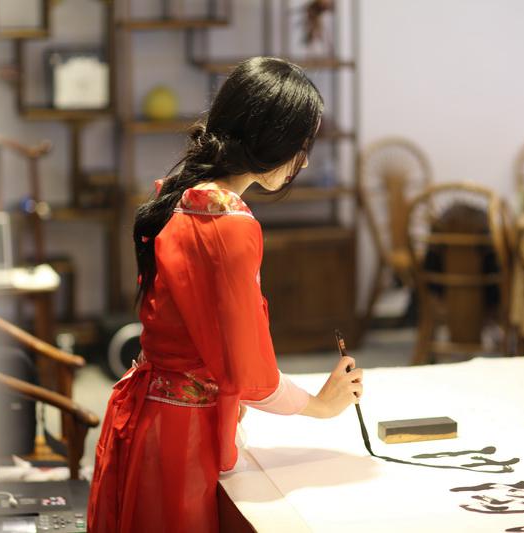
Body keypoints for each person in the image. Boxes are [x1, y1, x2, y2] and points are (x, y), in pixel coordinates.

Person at [87, 56, 364, 533]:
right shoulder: (230, 224)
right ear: (272, 138)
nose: (303, 161)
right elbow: (250, 374)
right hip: (181, 433)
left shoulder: (184, 196)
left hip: (152, 411)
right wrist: (321, 404)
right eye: (301, 146)